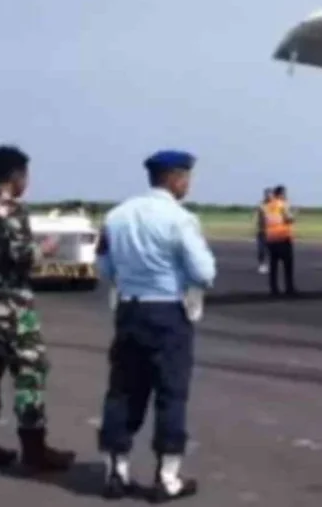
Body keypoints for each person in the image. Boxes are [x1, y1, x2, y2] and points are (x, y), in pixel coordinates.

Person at [96, 150, 216, 500]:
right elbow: (204, 273)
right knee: (170, 394)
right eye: (186, 177)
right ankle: (167, 477)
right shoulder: (180, 219)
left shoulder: (116, 216)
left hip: (130, 310)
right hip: (167, 314)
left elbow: (104, 268)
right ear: (176, 178)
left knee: (122, 392)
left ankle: (115, 471)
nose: (188, 184)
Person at [0, 145, 75, 474]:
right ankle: (34, 449)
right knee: (30, 374)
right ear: (15, 176)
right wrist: (46, 249)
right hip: (13, 309)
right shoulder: (13, 211)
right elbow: (23, 256)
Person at [261, 185, 296, 296]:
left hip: (271, 238)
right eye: (284, 193)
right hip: (283, 237)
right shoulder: (282, 204)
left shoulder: (267, 206)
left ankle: (274, 289)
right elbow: (288, 218)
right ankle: (289, 288)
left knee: (273, 265)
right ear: (280, 194)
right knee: (287, 265)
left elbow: (263, 223)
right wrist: (294, 216)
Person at [255, 188, 272, 275]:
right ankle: (262, 265)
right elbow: (259, 216)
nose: (268, 196)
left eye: (270, 194)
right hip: (262, 231)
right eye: (267, 194)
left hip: (272, 232)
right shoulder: (261, 205)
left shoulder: (275, 205)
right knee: (261, 249)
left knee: (271, 250)